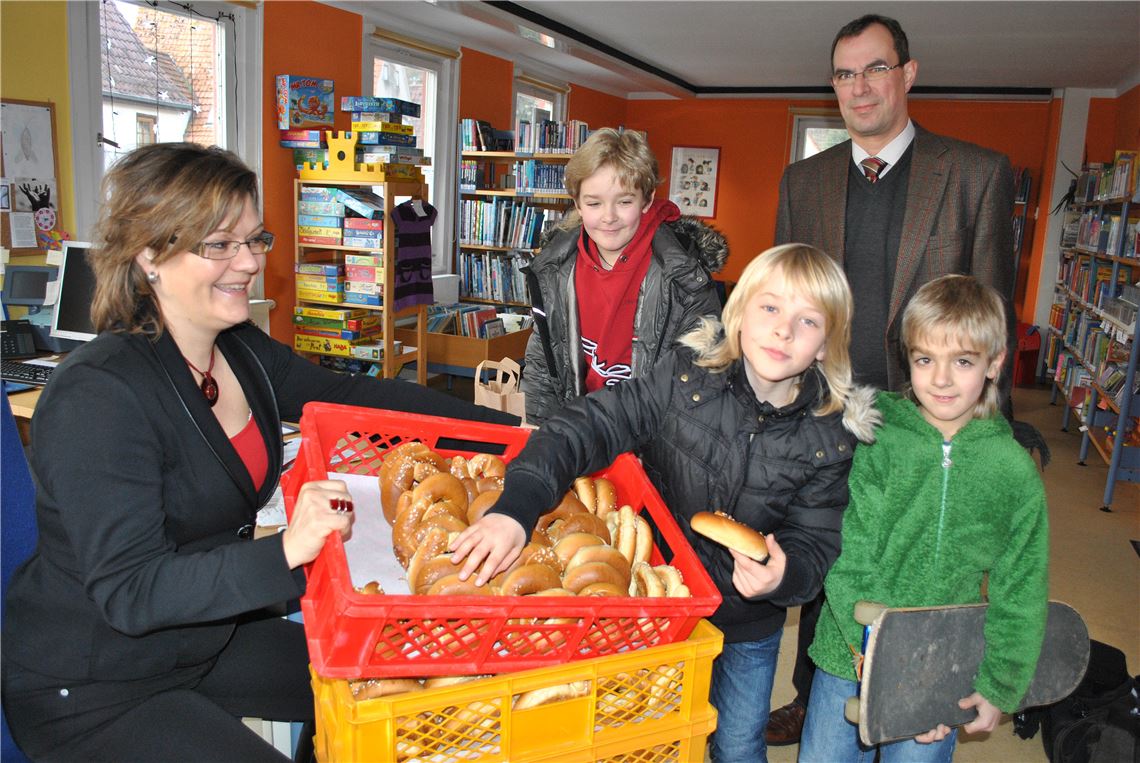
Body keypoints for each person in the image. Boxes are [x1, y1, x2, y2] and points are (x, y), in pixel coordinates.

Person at [0, 143, 517, 762]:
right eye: (219, 245)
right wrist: (287, 549)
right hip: (96, 681)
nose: (247, 262)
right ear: (148, 255)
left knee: (391, 679)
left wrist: (519, 437)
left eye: (254, 239)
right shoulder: (98, 394)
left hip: (201, 638)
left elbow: (352, 396)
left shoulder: (239, 349)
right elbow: (132, 592)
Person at [452, 244, 879, 762]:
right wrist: (517, 507)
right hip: (660, 605)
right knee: (645, 733)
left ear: (826, 345)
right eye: (770, 307)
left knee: (738, 743)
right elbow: (587, 424)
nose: (783, 330)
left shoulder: (829, 438)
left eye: (807, 321)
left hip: (750, 623)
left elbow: (815, 540)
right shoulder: (682, 377)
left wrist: (783, 575)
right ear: (739, 312)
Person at [769, 14, 1018, 742]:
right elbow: (786, 301)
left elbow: (991, 312)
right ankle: (811, 690)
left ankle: (914, 701)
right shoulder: (804, 179)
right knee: (826, 552)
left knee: (920, 569)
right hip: (829, 413)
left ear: (908, 74)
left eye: (875, 69)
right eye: (844, 75)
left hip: (925, 421)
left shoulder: (975, 174)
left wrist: (982, 428)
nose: (858, 88)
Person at [799, 275, 1049, 762]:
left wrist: (1000, 685)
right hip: (850, 652)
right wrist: (867, 647)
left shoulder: (1013, 472)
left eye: (963, 361)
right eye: (924, 360)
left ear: (995, 362)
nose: (940, 379)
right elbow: (848, 549)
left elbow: (1021, 586)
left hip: (940, 661)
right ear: (907, 359)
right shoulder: (876, 439)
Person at [520, 127, 727, 426]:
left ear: (647, 200)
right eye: (593, 203)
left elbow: (701, 381)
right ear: (577, 203)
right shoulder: (554, 269)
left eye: (624, 202)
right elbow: (543, 360)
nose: (609, 216)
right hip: (578, 428)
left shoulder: (685, 277)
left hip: (653, 438)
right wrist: (536, 432)